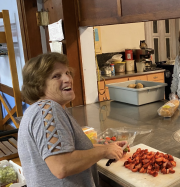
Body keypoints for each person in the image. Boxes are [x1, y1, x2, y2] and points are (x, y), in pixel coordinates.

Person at [18, 53, 126, 187]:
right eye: (56, 76)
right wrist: (103, 151)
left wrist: (109, 148)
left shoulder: (37, 110)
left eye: (67, 73)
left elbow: (69, 149)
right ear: (39, 85)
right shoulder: (48, 109)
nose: (67, 79)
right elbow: (61, 166)